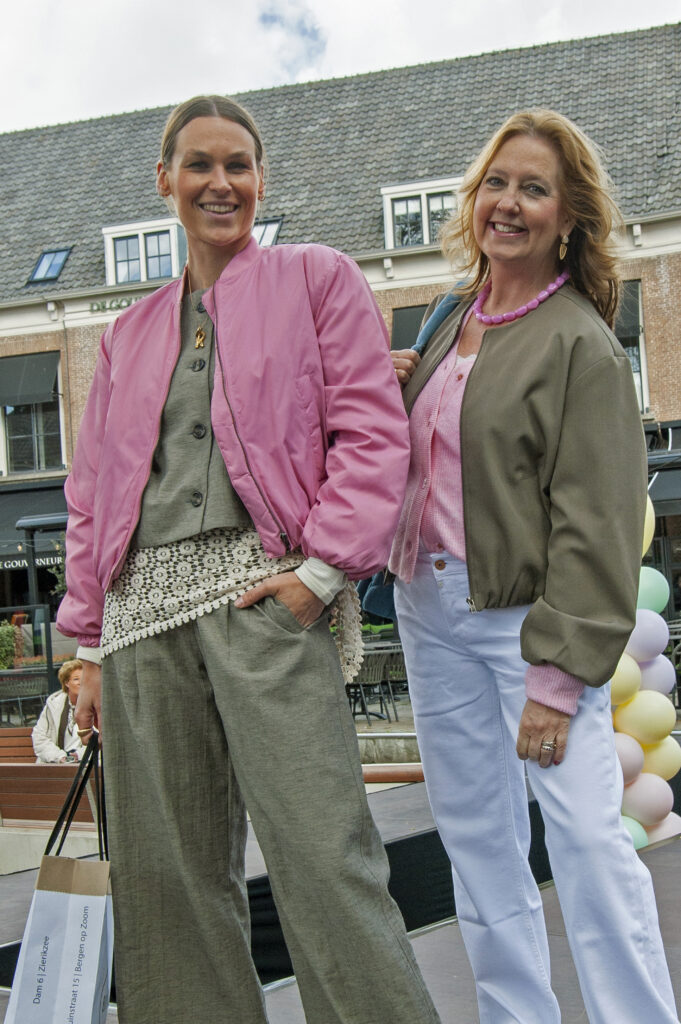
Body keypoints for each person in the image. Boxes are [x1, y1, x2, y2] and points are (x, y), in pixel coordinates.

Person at [56, 95, 441, 1024]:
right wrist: (85, 645)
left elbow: (370, 433)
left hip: (264, 601)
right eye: (199, 164)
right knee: (168, 882)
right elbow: (94, 490)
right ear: (165, 180)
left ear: (261, 180)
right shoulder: (126, 332)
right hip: (140, 622)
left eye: (238, 164)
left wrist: (320, 575)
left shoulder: (317, 278)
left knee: (324, 855)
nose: (219, 182)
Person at [390, 109, 679, 1024]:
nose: (508, 203)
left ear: (567, 218)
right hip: (427, 608)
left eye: (533, 189)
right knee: (476, 842)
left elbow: (597, 524)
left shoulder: (579, 342)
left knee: (588, 839)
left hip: (527, 627)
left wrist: (556, 678)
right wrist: (395, 386)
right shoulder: (448, 317)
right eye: (496, 183)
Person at [31, 658, 84, 763]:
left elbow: (101, 741)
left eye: (84, 679)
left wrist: (79, 755)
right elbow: (39, 737)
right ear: (66, 683)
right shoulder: (54, 704)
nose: (81, 683)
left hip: (85, 762)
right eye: (76, 679)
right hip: (55, 762)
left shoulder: (96, 705)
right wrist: (60, 757)